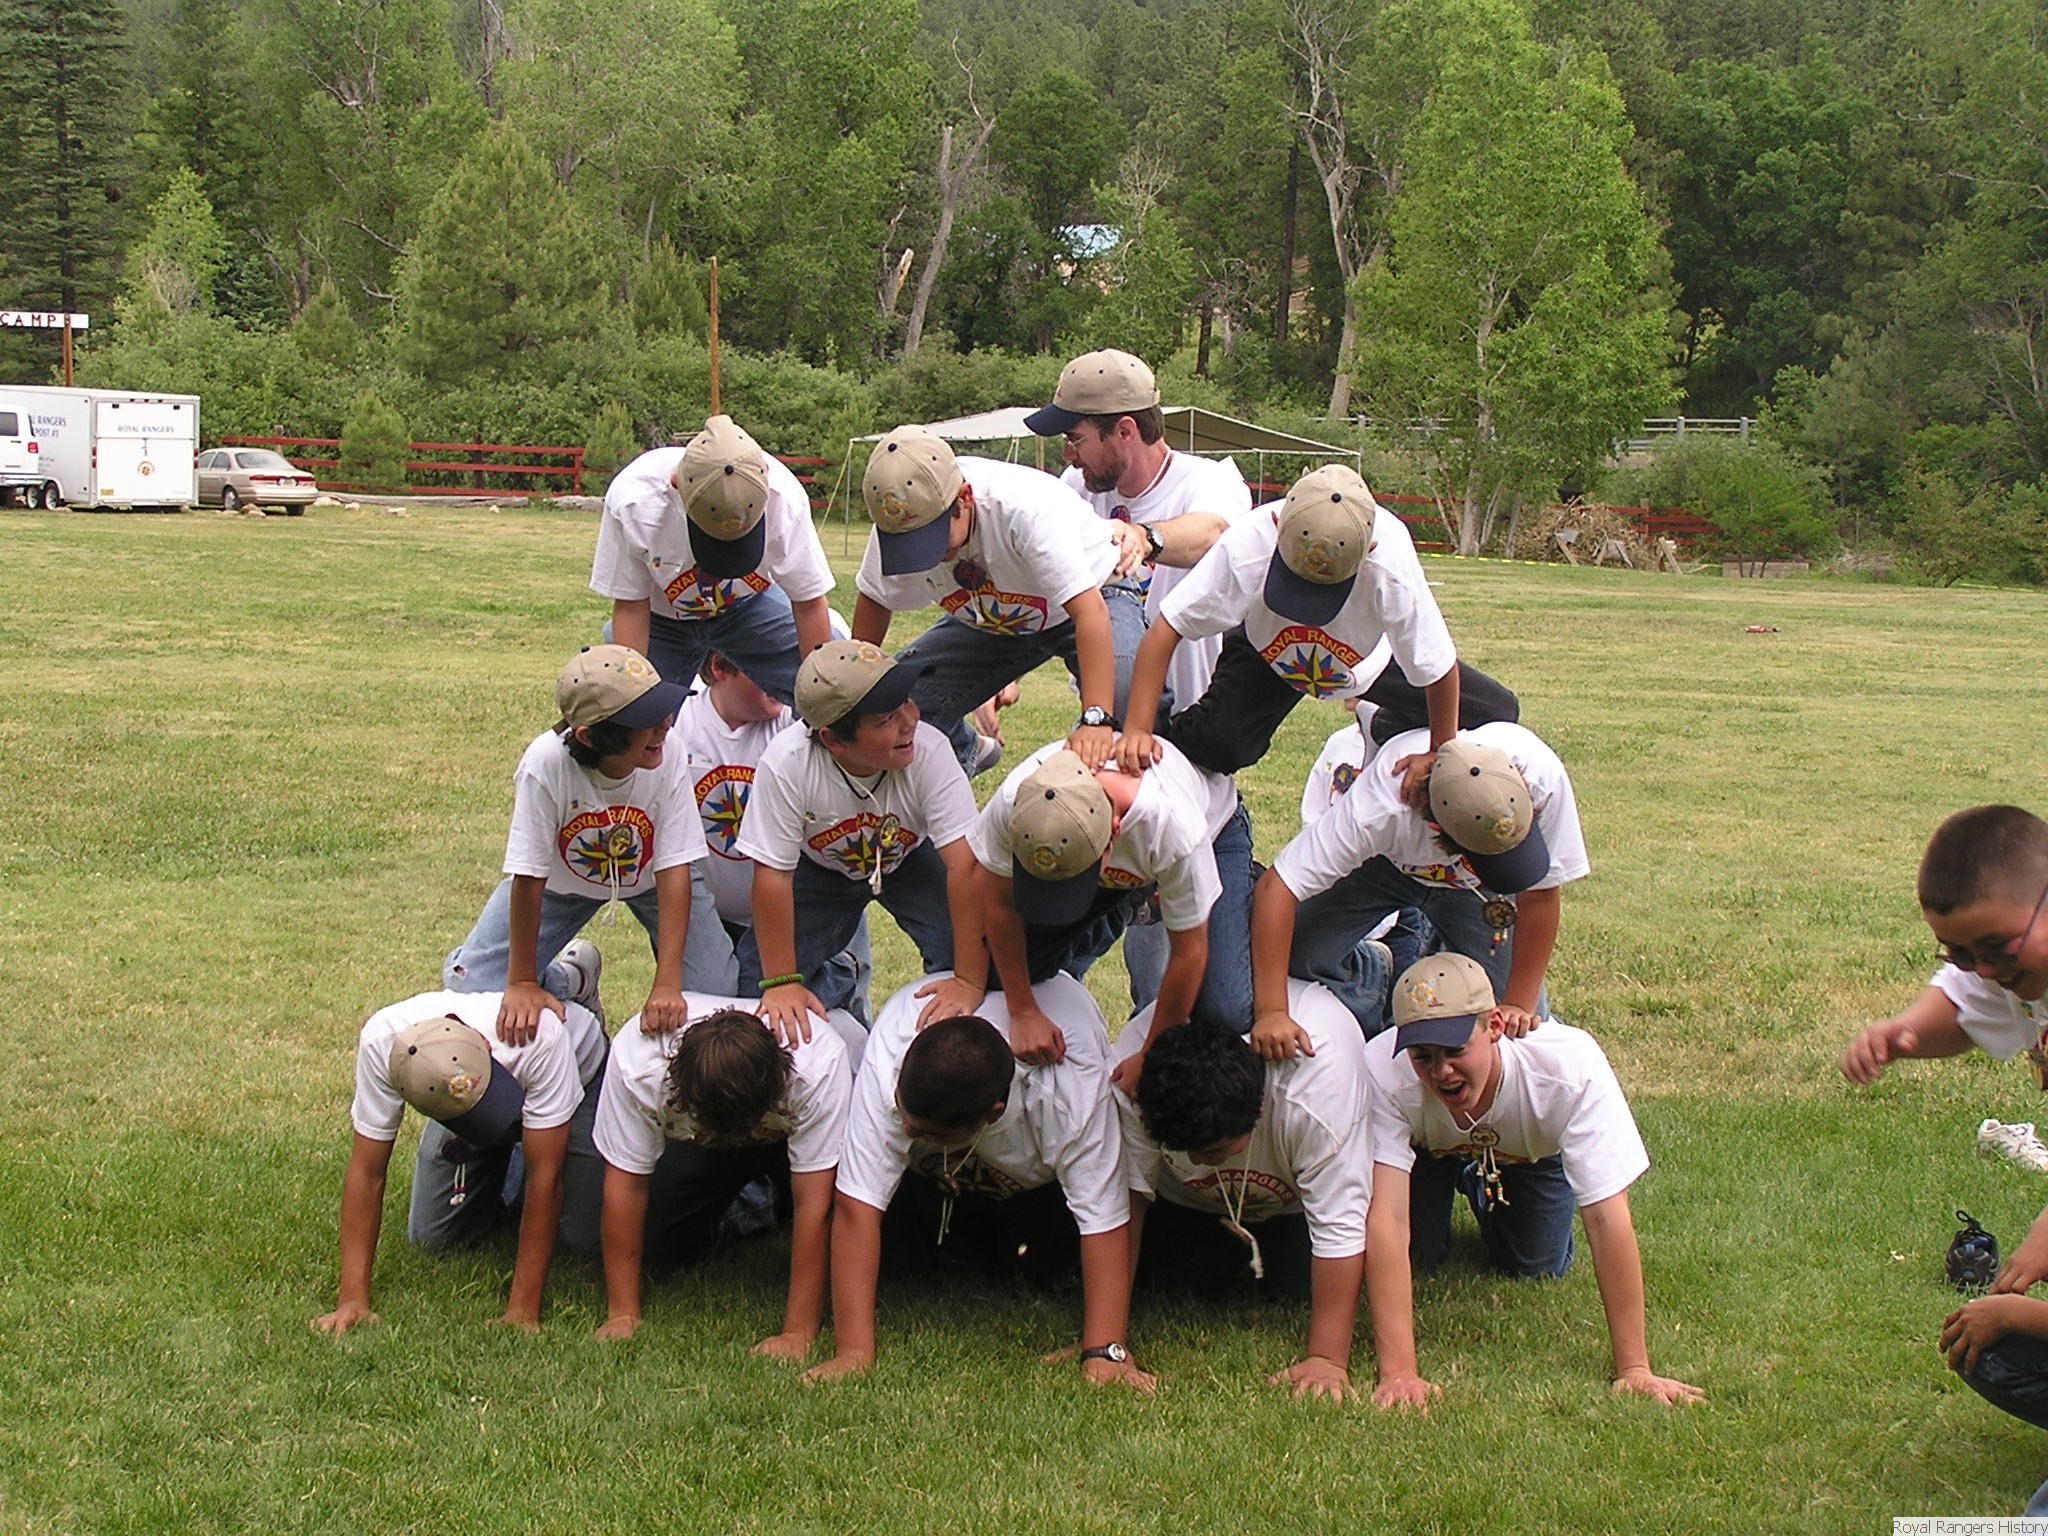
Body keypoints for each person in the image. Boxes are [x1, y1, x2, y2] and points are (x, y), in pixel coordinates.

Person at [1362, 953, 1704, 1410]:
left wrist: (1634, 1368)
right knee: (1418, 1256)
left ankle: (1479, 1181)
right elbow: (1386, 1219)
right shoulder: (1382, 1069)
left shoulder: (1569, 1067)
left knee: (1537, 1262)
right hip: (1427, 1149)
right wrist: (1399, 1374)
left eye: (1455, 1051)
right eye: (1423, 1056)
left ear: (1494, 1026)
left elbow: (1607, 1217)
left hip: (1531, 1152)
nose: (1441, 1071)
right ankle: (1452, 1172)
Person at [1839, 806, 2048, 1513]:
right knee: (1984, 1348)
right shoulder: (2016, 968)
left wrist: (2024, 1313)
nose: (1984, 970)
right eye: (1959, 953)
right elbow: (1962, 1008)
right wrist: (1902, 1033)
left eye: (1996, 948)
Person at [802, 973, 1154, 1393]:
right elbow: (855, 1208)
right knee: (904, 1262)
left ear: (994, 1113)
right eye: (904, 1115)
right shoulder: (892, 1051)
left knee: (1047, 1271)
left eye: (927, 1132)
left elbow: (1105, 1219)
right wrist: (852, 1352)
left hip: (1039, 1191)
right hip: (932, 1183)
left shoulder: (1068, 1092)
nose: (908, 1132)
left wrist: (1104, 1351)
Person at [1115, 464, 1517, 786]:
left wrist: (1438, 752)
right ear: (1278, 526)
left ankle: (1379, 724)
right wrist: (1138, 729)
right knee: (1220, 747)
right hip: (1267, 650)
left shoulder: (1390, 564)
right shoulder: (1248, 543)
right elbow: (1167, 627)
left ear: (1369, 551)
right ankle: (1164, 753)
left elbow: (1437, 666)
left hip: (1365, 657)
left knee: (1497, 712)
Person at [1250, 725, 1587, 1048]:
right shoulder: (1381, 807)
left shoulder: (1543, 776)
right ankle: (1378, 977)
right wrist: (1272, 1012)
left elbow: (1540, 896)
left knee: (1518, 1024)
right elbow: (1278, 887)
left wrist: (1519, 1004)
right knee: (1298, 954)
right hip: (1385, 864)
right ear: (1437, 829)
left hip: (1475, 892)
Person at [1119, 982, 1373, 1401]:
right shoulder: (1137, 1069)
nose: (1196, 1160)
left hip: (1293, 1204)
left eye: (1211, 1151)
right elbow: (1125, 1200)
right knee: (1177, 1287)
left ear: (1256, 1111)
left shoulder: (1316, 1090)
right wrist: (1107, 1345)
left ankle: (1365, 976)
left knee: (1298, 1290)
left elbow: (1340, 1225)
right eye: (1181, 1149)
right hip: (1191, 1204)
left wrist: (1327, 1359)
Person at [444, 644, 709, 1043]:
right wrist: (522, 982)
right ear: (590, 736)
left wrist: (668, 984)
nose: (665, 725)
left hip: (655, 881)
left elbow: (674, 869)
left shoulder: (667, 750)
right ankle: (572, 979)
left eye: (663, 709)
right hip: (561, 885)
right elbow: (528, 876)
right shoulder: (545, 762)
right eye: (646, 720)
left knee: (714, 989)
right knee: (473, 985)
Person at [313, 988, 606, 1334]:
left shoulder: (541, 1038)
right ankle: (504, 1174)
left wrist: (521, 1311)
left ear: (483, 1044)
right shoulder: (383, 1042)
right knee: (435, 1237)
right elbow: (367, 1172)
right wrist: (352, 1301)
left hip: (579, 1075)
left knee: (581, 1240)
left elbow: (546, 1176)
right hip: (465, 1096)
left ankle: (573, 987)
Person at [734, 639, 985, 1040]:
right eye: (886, 719)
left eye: (907, 702)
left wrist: (969, 980)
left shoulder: (929, 749)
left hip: (910, 858)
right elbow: (772, 875)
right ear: (833, 740)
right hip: (820, 869)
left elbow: (966, 867)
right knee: (756, 981)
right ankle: (836, 982)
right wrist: (780, 982)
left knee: (976, 952)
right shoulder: (788, 763)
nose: (910, 720)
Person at [965, 737, 1251, 1078]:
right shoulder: (1018, 799)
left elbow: (1189, 952)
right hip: (1125, 870)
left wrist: (1151, 1055)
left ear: (1113, 834)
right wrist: (1022, 1009)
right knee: (999, 973)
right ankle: (1131, 903)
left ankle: (1238, 897)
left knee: (1224, 1011)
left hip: (1213, 840)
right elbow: (998, 901)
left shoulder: (1173, 827)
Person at [590, 994, 858, 1356]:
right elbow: (626, 1186)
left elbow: (815, 1204)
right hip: (699, 1141)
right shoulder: (638, 1064)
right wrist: (622, 1313)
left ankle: (767, 1190)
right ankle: (755, 1202)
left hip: (788, 1136)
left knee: (880, 1250)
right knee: (657, 1248)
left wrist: (797, 1332)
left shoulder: (818, 1065)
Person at [854, 423, 1124, 772]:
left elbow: (1090, 613)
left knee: (1125, 701)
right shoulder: (899, 516)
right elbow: (875, 598)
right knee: (892, 709)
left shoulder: (1022, 511)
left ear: (964, 498)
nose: (927, 556)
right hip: (995, 616)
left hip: (1095, 594)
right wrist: (854, 687)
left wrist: (1097, 719)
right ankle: (966, 751)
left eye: (932, 540)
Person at [1024, 347, 1250, 714]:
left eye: (1074, 439)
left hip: (1194, 715)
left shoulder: (1210, 480)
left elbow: (1213, 533)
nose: (1068, 455)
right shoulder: (1076, 486)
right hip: (1107, 707)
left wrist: (1144, 538)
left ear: (1125, 431)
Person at [671, 650, 868, 1018]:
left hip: (799, 905)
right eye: (765, 668)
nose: (782, 679)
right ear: (719, 668)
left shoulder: (796, 724)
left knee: (835, 1006)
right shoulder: (681, 723)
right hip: (716, 912)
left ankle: (842, 989)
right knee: (719, 1008)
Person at [589, 414, 834, 700]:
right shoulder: (635, 501)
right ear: (676, 484)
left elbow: (809, 604)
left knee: (838, 685)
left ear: (765, 480)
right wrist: (632, 699)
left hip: (748, 607)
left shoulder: (785, 498)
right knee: (626, 703)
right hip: (659, 619)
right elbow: (631, 607)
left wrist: (823, 696)